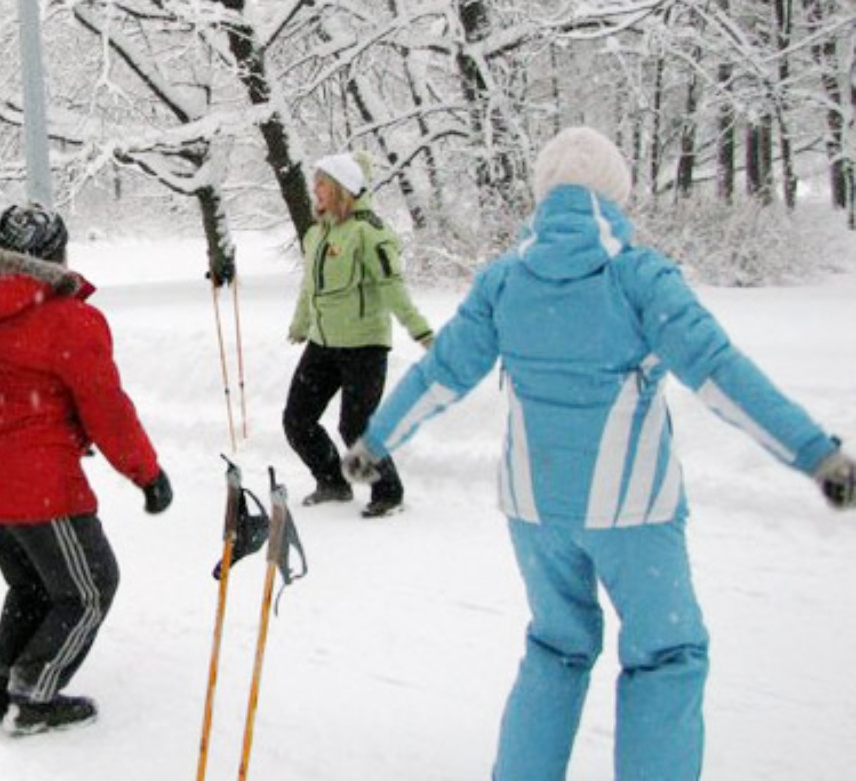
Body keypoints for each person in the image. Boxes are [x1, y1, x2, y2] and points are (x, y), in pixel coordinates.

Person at [342, 127, 856, 780]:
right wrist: (815, 455)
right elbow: (720, 375)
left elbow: (441, 373)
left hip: (535, 510)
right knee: (666, 655)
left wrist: (376, 441)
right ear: (616, 195)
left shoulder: (505, 280)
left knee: (556, 646)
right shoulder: (639, 277)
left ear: (543, 195)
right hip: (630, 510)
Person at [0, 203, 173, 735]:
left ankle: (1, 680)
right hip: (36, 485)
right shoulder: (69, 320)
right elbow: (107, 410)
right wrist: (146, 473)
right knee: (90, 586)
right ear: (57, 254)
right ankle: (34, 694)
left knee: (31, 585)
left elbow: (17, 383)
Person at [284, 151, 433, 518]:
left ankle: (388, 492)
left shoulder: (369, 232)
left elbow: (391, 286)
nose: (315, 190)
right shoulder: (317, 234)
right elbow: (309, 287)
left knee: (355, 427)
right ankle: (332, 482)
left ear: (341, 189)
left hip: (364, 344)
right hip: (323, 343)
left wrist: (420, 331)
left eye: (321, 184)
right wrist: (301, 323)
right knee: (297, 420)